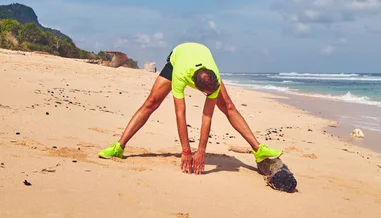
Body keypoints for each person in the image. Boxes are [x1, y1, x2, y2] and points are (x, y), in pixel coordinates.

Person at [98, 42, 283, 174]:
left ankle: (259, 150)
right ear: (197, 87)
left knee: (228, 106)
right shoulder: (180, 75)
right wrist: (186, 151)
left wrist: (201, 151)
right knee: (151, 103)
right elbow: (180, 114)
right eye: (207, 93)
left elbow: (207, 116)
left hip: (201, 57)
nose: (210, 95)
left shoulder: (214, 79)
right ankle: (119, 147)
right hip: (178, 58)